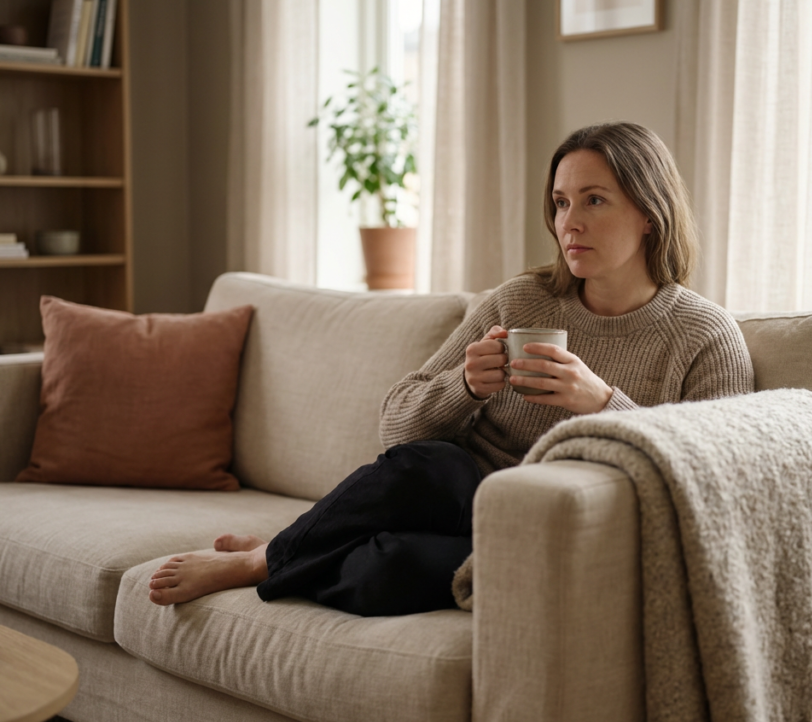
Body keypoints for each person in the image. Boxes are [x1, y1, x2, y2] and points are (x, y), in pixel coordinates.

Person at [148, 121, 755, 615]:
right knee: (431, 465)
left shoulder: (704, 335)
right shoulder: (521, 301)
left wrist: (601, 404)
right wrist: (464, 386)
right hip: (464, 493)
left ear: (649, 212)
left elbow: (718, 489)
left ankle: (281, 553)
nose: (569, 222)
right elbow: (395, 429)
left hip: (568, 525)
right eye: (562, 202)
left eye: (595, 200)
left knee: (389, 570)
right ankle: (271, 556)